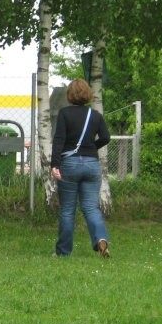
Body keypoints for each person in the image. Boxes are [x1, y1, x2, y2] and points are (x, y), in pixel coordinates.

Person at [51, 78, 111, 258]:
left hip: (70, 163)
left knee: (68, 209)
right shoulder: (96, 115)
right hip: (92, 165)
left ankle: (63, 252)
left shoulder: (64, 113)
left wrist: (55, 164)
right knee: (91, 208)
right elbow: (106, 137)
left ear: (70, 95)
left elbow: (59, 140)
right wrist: (92, 147)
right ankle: (101, 238)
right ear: (88, 95)